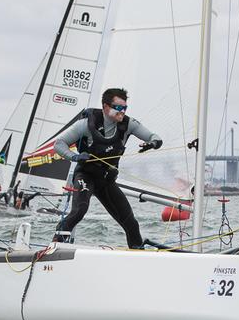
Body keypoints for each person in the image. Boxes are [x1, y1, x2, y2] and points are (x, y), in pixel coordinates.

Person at [52, 88, 163, 248]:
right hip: (85, 176)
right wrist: (75, 156)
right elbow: (59, 144)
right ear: (105, 107)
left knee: (131, 223)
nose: (122, 111)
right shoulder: (85, 125)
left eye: (124, 107)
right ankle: (55, 245)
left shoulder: (129, 124)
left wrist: (152, 144)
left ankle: (138, 255)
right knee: (79, 212)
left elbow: (155, 138)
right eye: (118, 107)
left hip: (106, 180)